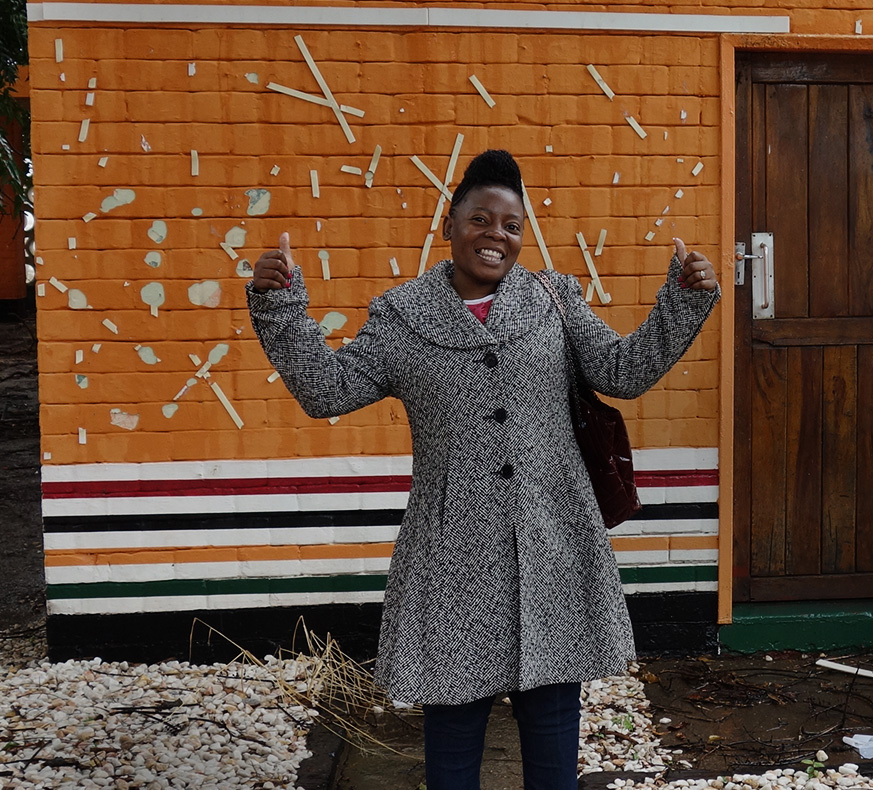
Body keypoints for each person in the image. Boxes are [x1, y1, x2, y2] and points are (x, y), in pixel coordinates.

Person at [245, 149, 721, 789]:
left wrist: (684, 302)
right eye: (481, 219)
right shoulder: (400, 319)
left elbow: (622, 370)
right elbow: (327, 389)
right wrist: (278, 306)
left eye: (512, 225)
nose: (496, 235)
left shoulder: (552, 299)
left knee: (553, 736)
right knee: (453, 741)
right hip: (452, 558)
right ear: (450, 222)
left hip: (551, 545)